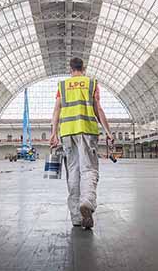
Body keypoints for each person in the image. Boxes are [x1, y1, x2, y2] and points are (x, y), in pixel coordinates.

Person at [50, 57, 113, 229]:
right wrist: (108, 131)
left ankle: (77, 218)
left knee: (73, 172)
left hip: (67, 133)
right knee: (89, 169)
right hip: (87, 131)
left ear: (70, 69)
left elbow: (56, 109)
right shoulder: (91, 83)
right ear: (83, 68)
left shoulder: (62, 86)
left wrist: (54, 133)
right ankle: (87, 201)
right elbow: (97, 109)